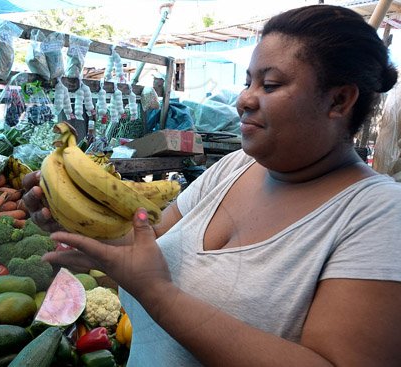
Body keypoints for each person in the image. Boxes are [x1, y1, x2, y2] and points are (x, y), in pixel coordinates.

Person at [22, 5, 401, 366]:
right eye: (248, 81)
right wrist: (87, 230)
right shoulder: (233, 168)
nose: (243, 100)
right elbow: (145, 245)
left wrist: (158, 295)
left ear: (339, 100)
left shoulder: (379, 216)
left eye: (270, 84)